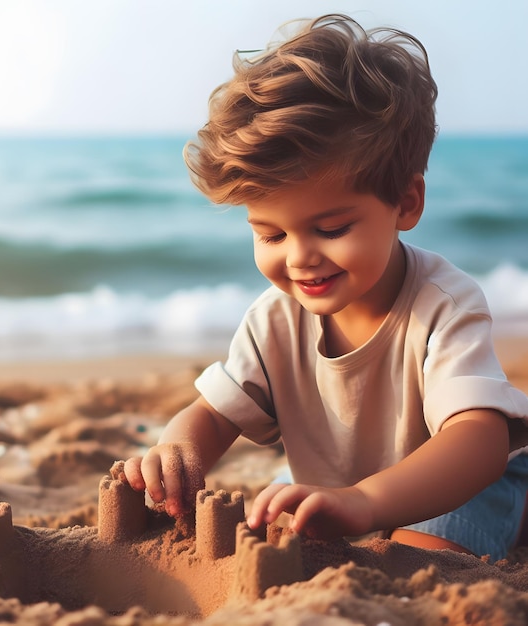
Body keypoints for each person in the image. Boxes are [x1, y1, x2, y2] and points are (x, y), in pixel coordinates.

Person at [124, 14, 528, 561]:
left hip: (461, 487)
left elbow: (479, 443)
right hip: (353, 495)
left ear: (406, 204)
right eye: (270, 233)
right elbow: (214, 414)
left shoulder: (441, 306)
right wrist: (177, 450)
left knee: (411, 556)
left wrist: (366, 501)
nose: (299, 257)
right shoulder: (274, 320)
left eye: (332, 229)